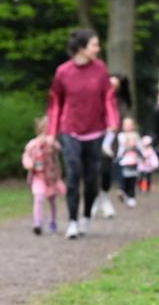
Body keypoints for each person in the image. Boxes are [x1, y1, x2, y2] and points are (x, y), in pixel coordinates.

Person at [46, 29, 120, 240]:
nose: (98, 49)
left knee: (91, 178)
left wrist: (113, 122)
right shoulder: (63, 72)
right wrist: (51, 132)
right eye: (94, 45)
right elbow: (55, 103)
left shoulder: (100, 69)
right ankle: (72, 221)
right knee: (73, 174)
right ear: (81, 48)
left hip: (95, 131)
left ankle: (86, 216)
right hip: (70, 129)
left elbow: (108, 98)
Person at [95, 73, 133, 216]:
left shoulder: (121, 103)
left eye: (115, 86)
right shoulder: (96, 98)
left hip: (111, 142)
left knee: (105, 170)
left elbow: (122, 122)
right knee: (93, 171)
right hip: (94, 138)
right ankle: (95, 199)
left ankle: (104, 197)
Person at [22, 116, 65, 235]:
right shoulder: (33, 144)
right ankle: (37, 223)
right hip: (38, 177)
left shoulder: (52, 143)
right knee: (39, 197)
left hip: (51, 178)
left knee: (52, 200)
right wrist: (28, 163)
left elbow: (58, 149)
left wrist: (50, 142)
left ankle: (53, 221)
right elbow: (26, 155)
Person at [116, 118, 143, 208]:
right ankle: (121, 191)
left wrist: (143, 155)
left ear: (133, 126)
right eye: (125, 125)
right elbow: (121, 146)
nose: (127, 126)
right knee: (123, 179)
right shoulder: (121, 136)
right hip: (123, 161)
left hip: (134, 162)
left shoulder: (136, 135)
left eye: (129, 124)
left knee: (132, 181)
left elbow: (140, 147)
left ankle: (131, 197)